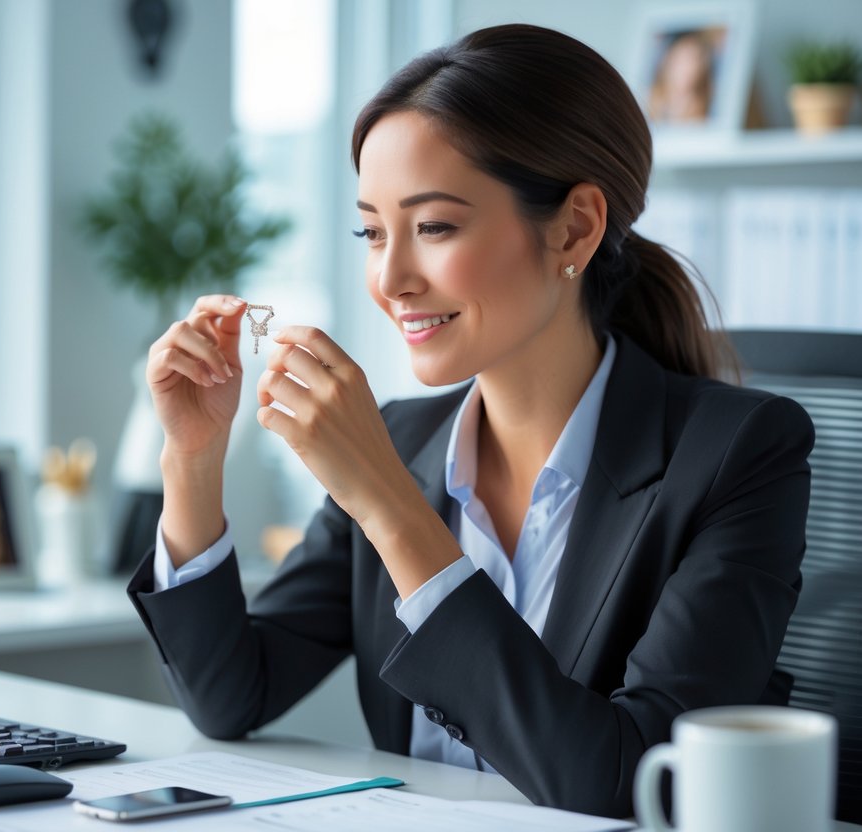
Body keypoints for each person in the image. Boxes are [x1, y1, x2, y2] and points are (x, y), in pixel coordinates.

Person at [126, 24, 812, 817]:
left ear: (574, 229)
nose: (389, 280)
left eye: (434, 227)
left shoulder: (738, 454)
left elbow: (625, 782)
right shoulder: (402, 441)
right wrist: (193, 457)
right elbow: (227, 696)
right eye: (372, 232)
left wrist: (389, 506)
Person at [648, 28, 719, 124]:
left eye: (693, 61)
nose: (686, 68)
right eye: (681, 61)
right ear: (669, 61)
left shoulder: (706, 107)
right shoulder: (649, 99)